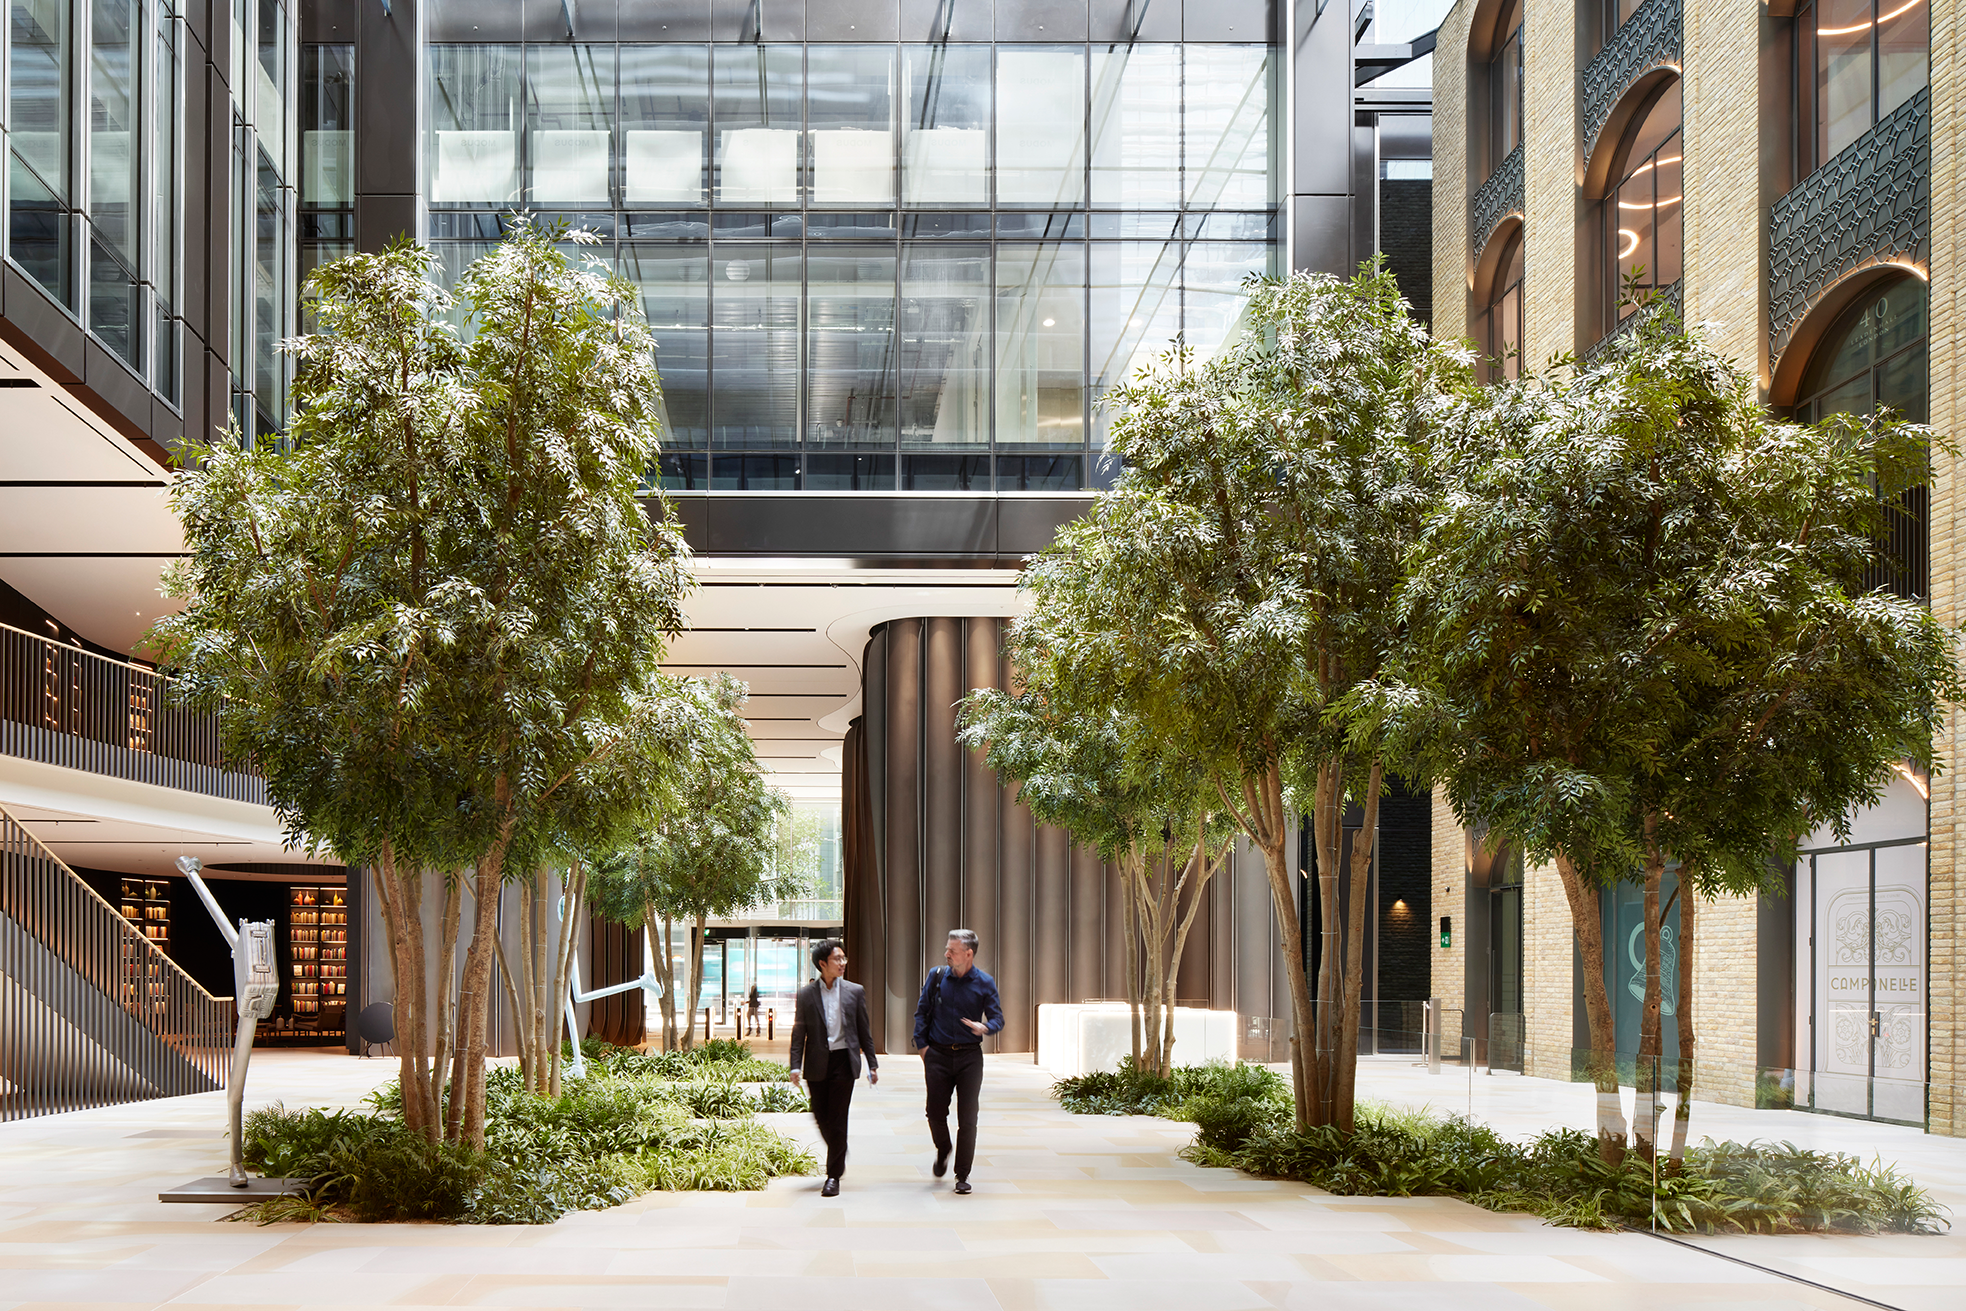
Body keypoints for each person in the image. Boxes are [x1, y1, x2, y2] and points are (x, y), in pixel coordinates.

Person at [913, 928, 1003, 1194]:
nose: (946, 954)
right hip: (938, 1055)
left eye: (952, 950)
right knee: (935, 1112)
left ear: (968, 954)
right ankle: (944, 1148)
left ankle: (962, 1174)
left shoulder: (984, 982)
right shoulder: (937, 976)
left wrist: (986, 1027)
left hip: (969, 1057)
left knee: (968, 1117)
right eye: (947, 949)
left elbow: (998, 1018)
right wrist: (923, 1047)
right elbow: (921, 1012)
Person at [788, 939, 878, 1196]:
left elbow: (864, 1030)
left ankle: (833, 1176)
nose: (842, 963)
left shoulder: (854, 991)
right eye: (837, 959)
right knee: (820, 1114)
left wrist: (872, 1064)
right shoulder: (806, 994)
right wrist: (795, 1065)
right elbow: (799, 1032)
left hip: (843, 1062)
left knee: (838, 1118)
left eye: (843, 958)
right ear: (822, 963)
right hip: (817, 1062)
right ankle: (839, 1147)